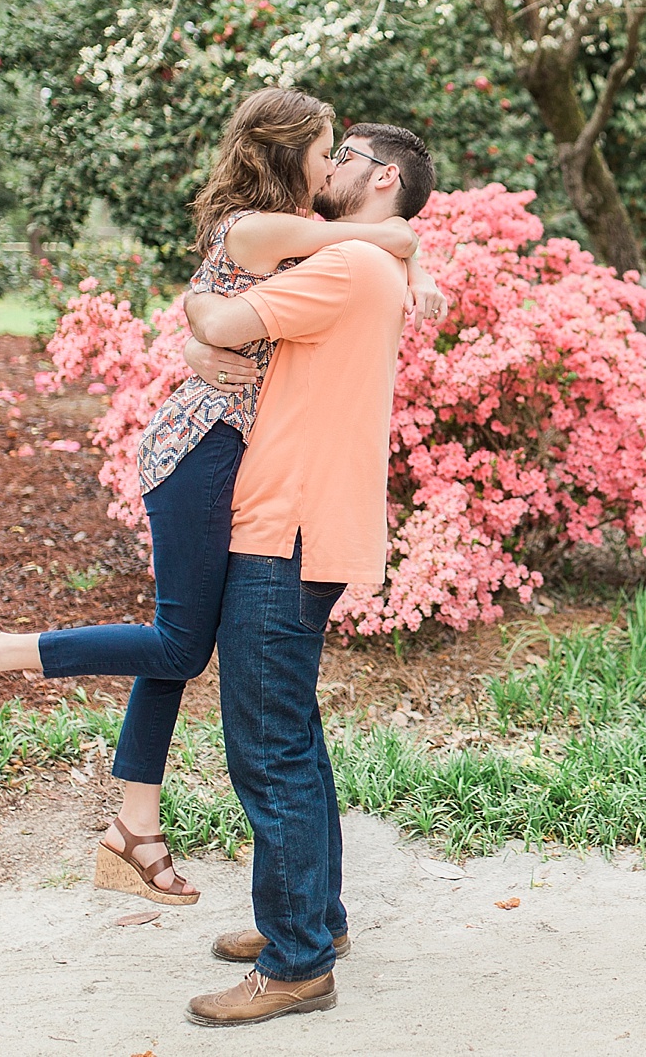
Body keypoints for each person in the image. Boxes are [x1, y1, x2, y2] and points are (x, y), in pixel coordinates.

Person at [0, 90, 445, 909]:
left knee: (180, 637)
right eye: (326, 149)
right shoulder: (268, 228)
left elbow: (361, 244)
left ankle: (135, 826)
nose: (332, 164)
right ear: (290, 151)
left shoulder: (299, 234)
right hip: (202, 445)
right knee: (177, 642)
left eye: (344, 155)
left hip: (223, 448)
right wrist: (402, 251)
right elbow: (371, 238)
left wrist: (407, 260)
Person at [173, 121, 431, 1026]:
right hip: (306, 520)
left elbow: (216, 318)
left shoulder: (347, 266)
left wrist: (204, 306)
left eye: (347, 155)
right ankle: (314, 920)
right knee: (295, 735)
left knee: (268, 747)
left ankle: (295, 965)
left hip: (286, 527)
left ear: (384, 177)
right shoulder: (367, 261)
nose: (330, 165)